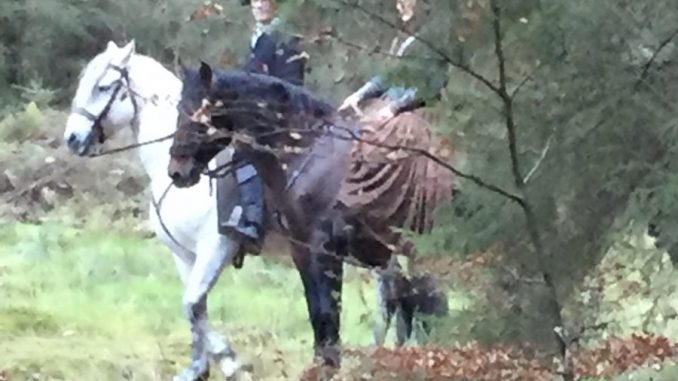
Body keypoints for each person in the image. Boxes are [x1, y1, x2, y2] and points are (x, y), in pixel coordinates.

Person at [217, 0, 308, 258]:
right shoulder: (259, 36)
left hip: (283, 114)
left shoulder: (287, 38)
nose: (258, 4)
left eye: (264, 0)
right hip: (260, 111)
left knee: (247, 149)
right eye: (255, 0)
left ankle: (253, 220)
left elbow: (290, 85)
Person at [338, 0, 449, 119]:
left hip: (413, 113)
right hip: (387, 106)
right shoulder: (401, 39)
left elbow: (430, 88)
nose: (398, 6)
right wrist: (359, 95)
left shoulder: (435, 41)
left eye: (405, 1)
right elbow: (387, 77)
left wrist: (395, 108)